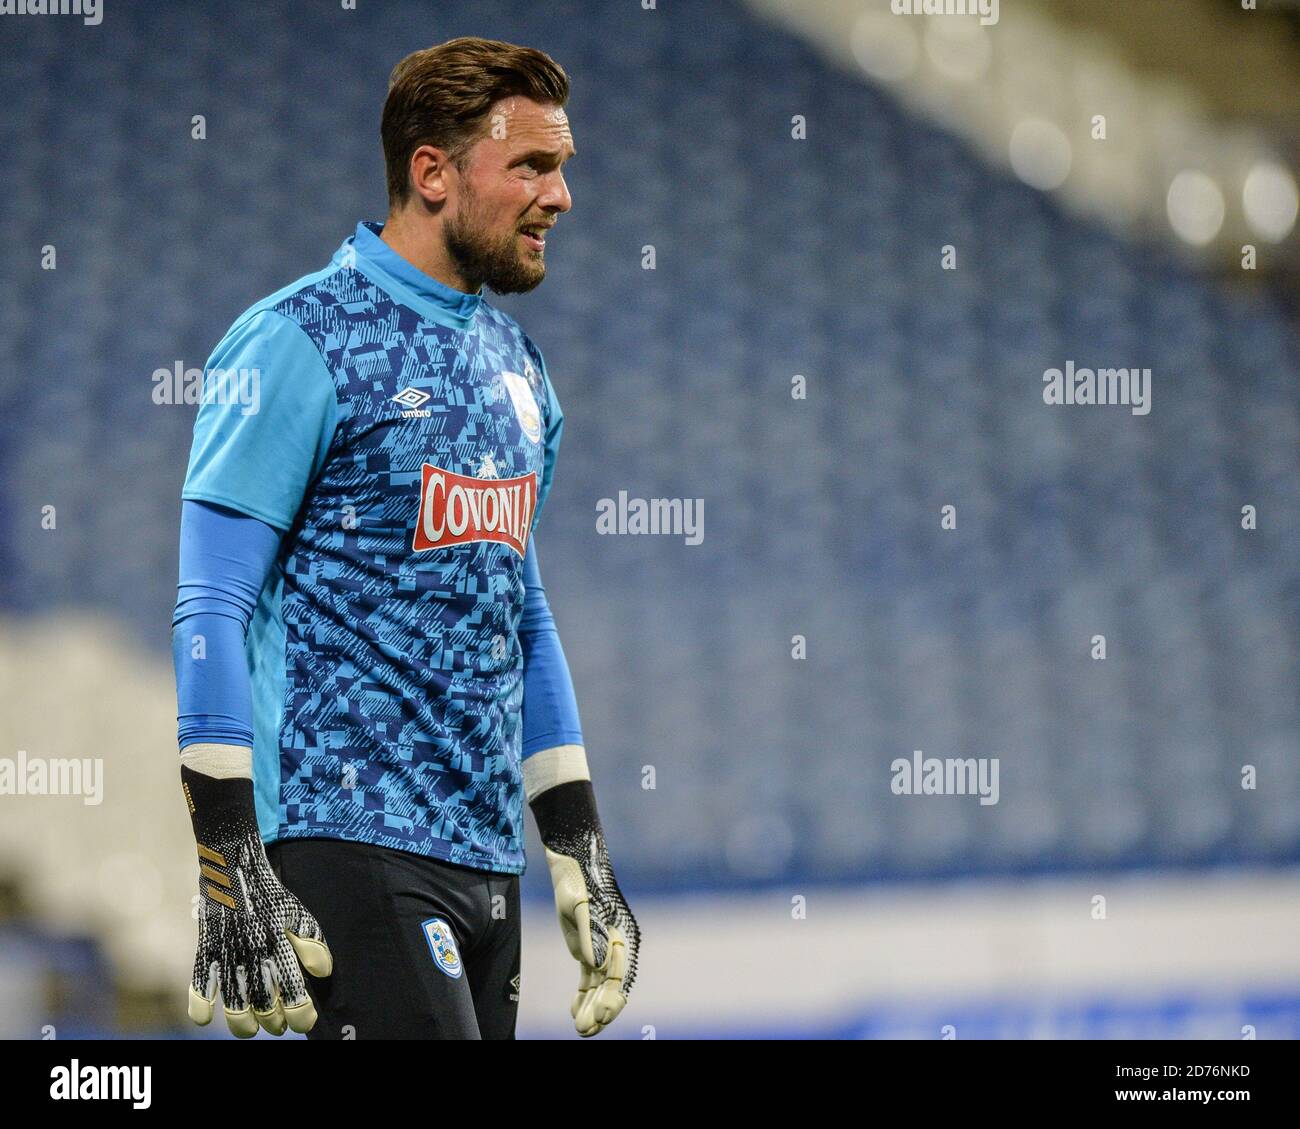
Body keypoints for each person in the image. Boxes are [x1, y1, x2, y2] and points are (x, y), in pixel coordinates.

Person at [171, 36, 639, 1040]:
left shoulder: (518, 367)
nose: (560, 197)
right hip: (346, 847)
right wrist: (229, 857)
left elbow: (521, 607)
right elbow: (212, 599)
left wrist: (576, 846)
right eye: (531, 166)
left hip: (483, 862)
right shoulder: (297, 339)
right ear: (431, 172)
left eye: (561, 168)